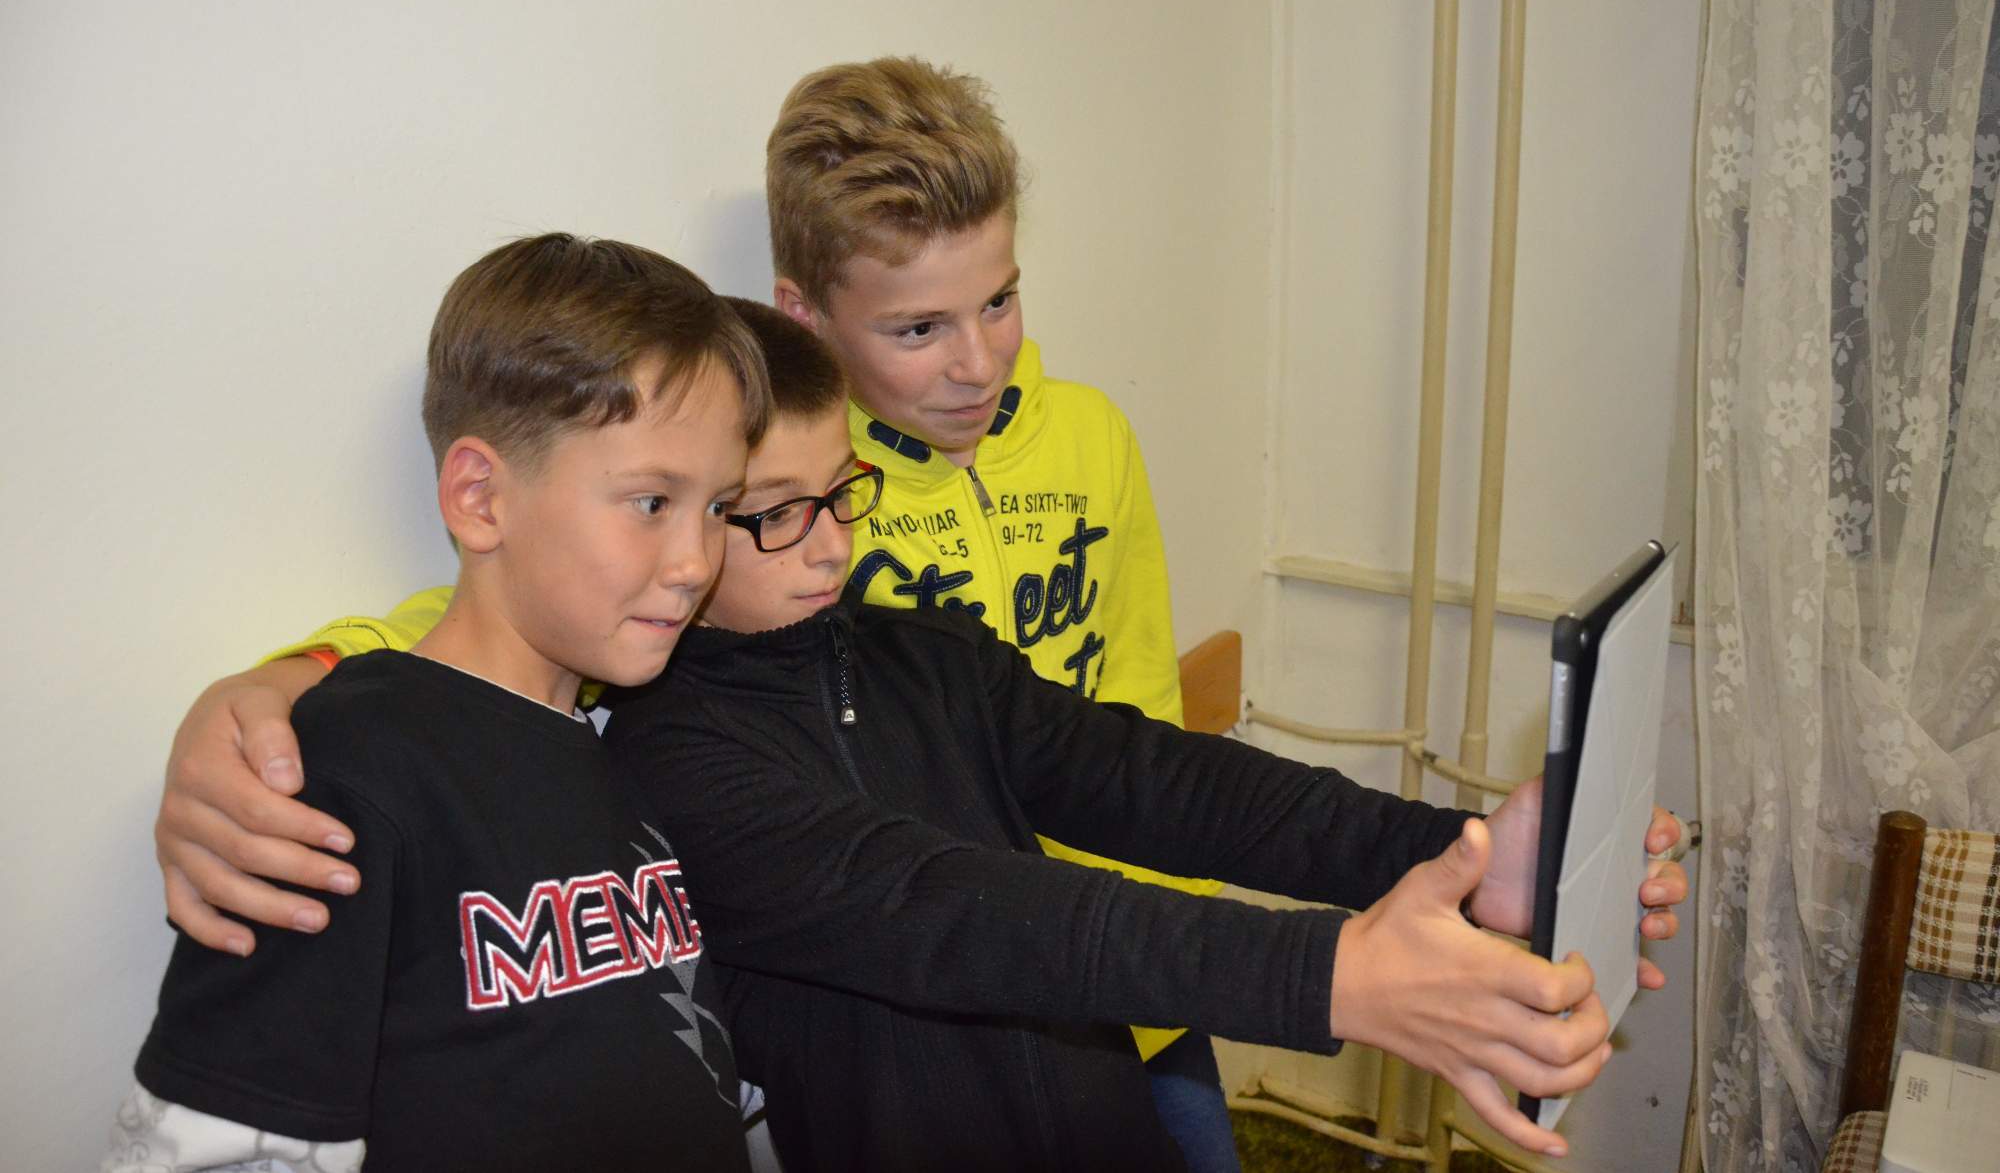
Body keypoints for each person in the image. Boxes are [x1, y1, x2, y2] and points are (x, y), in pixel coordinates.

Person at [149, 299, 1687, 1169]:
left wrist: (1461, 850)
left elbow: (1160, 780)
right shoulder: (660, 749)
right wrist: (1336, 974)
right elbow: (949, 907)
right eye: (767, 511)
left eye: (846, 492)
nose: (827, 541)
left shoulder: (919, 652)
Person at [107, 235, 769, 1172]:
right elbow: (216, 1146)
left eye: (718, 507)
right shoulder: (342, 771)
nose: (698, 561)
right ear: (480, 498)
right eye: (652, 502)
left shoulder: (637, 740)